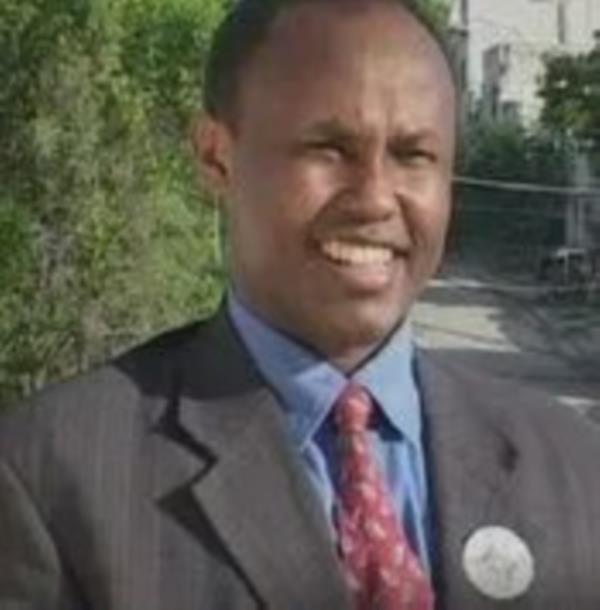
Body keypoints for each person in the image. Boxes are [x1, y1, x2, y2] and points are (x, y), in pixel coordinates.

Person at [1, 0, 599, 609]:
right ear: (216, 157)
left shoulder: (571, 465)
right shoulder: (54, 480)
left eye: (413, 155)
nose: (375, 198)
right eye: (328, 148)